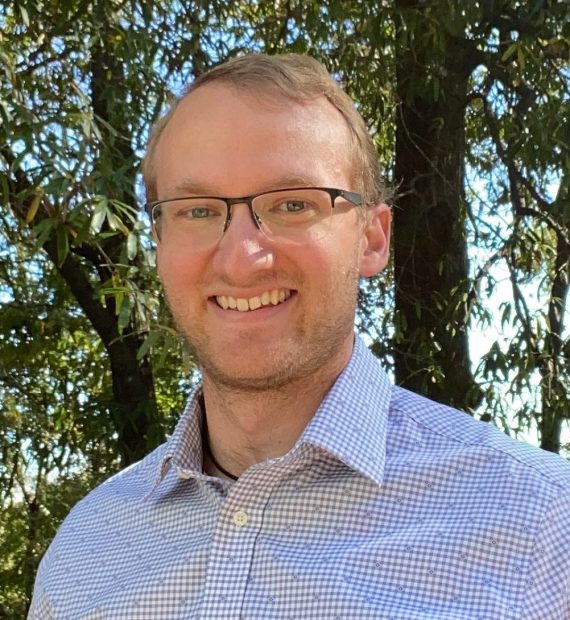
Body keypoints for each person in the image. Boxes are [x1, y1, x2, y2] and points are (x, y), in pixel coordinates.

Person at [29, 53, 570, 620]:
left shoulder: (542, 528)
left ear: (372, 238)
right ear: (159, 244)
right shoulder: (84, 551)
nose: (242, 260)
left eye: (293, 205)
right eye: (196, 211)